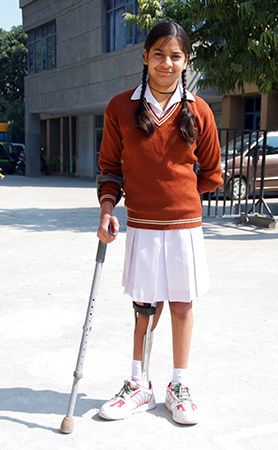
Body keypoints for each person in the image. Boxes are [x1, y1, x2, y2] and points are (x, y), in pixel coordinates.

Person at [97, 20, 223, 425]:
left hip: (184, 228)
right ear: (145, 56)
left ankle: (178, 386)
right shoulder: (120, 107)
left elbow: (213, 173)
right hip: (142, 226)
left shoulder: (200, 110)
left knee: (183, 305)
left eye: (176, 55)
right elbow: (109, 169)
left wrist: (179, 199)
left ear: (186, 61)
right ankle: (138, 384)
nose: (167, 63)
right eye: (158, 54)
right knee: (144, 309)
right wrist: (107, 209)